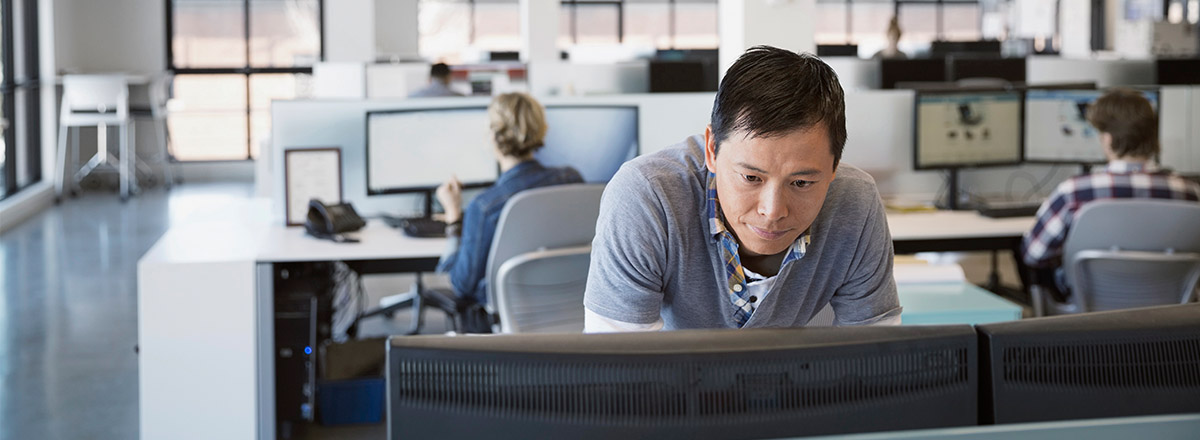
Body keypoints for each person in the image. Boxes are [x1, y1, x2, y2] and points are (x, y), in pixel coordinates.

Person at [583, 46, 901, 332]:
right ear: (712, 150)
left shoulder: (856, 202)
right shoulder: (647, 196)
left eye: (801, 183)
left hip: (797, 392)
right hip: (673, 391)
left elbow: (877, 363)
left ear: (834, 167)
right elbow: (618, 376)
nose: (773, 210)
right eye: (751, 178)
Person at [1021, 88, 1200, 299]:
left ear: (1107, 139)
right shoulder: (1190, 194)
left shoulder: (1074, 192)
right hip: (1168, 315)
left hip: (1090, 315)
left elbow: (1034, 254)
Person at [435, 92, 583, 331]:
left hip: (511, 321)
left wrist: (453, 216)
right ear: (541, 129)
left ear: (493, 136)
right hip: (570, 313)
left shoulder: (485, 207)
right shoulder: (572, 179)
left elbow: (461, 285)